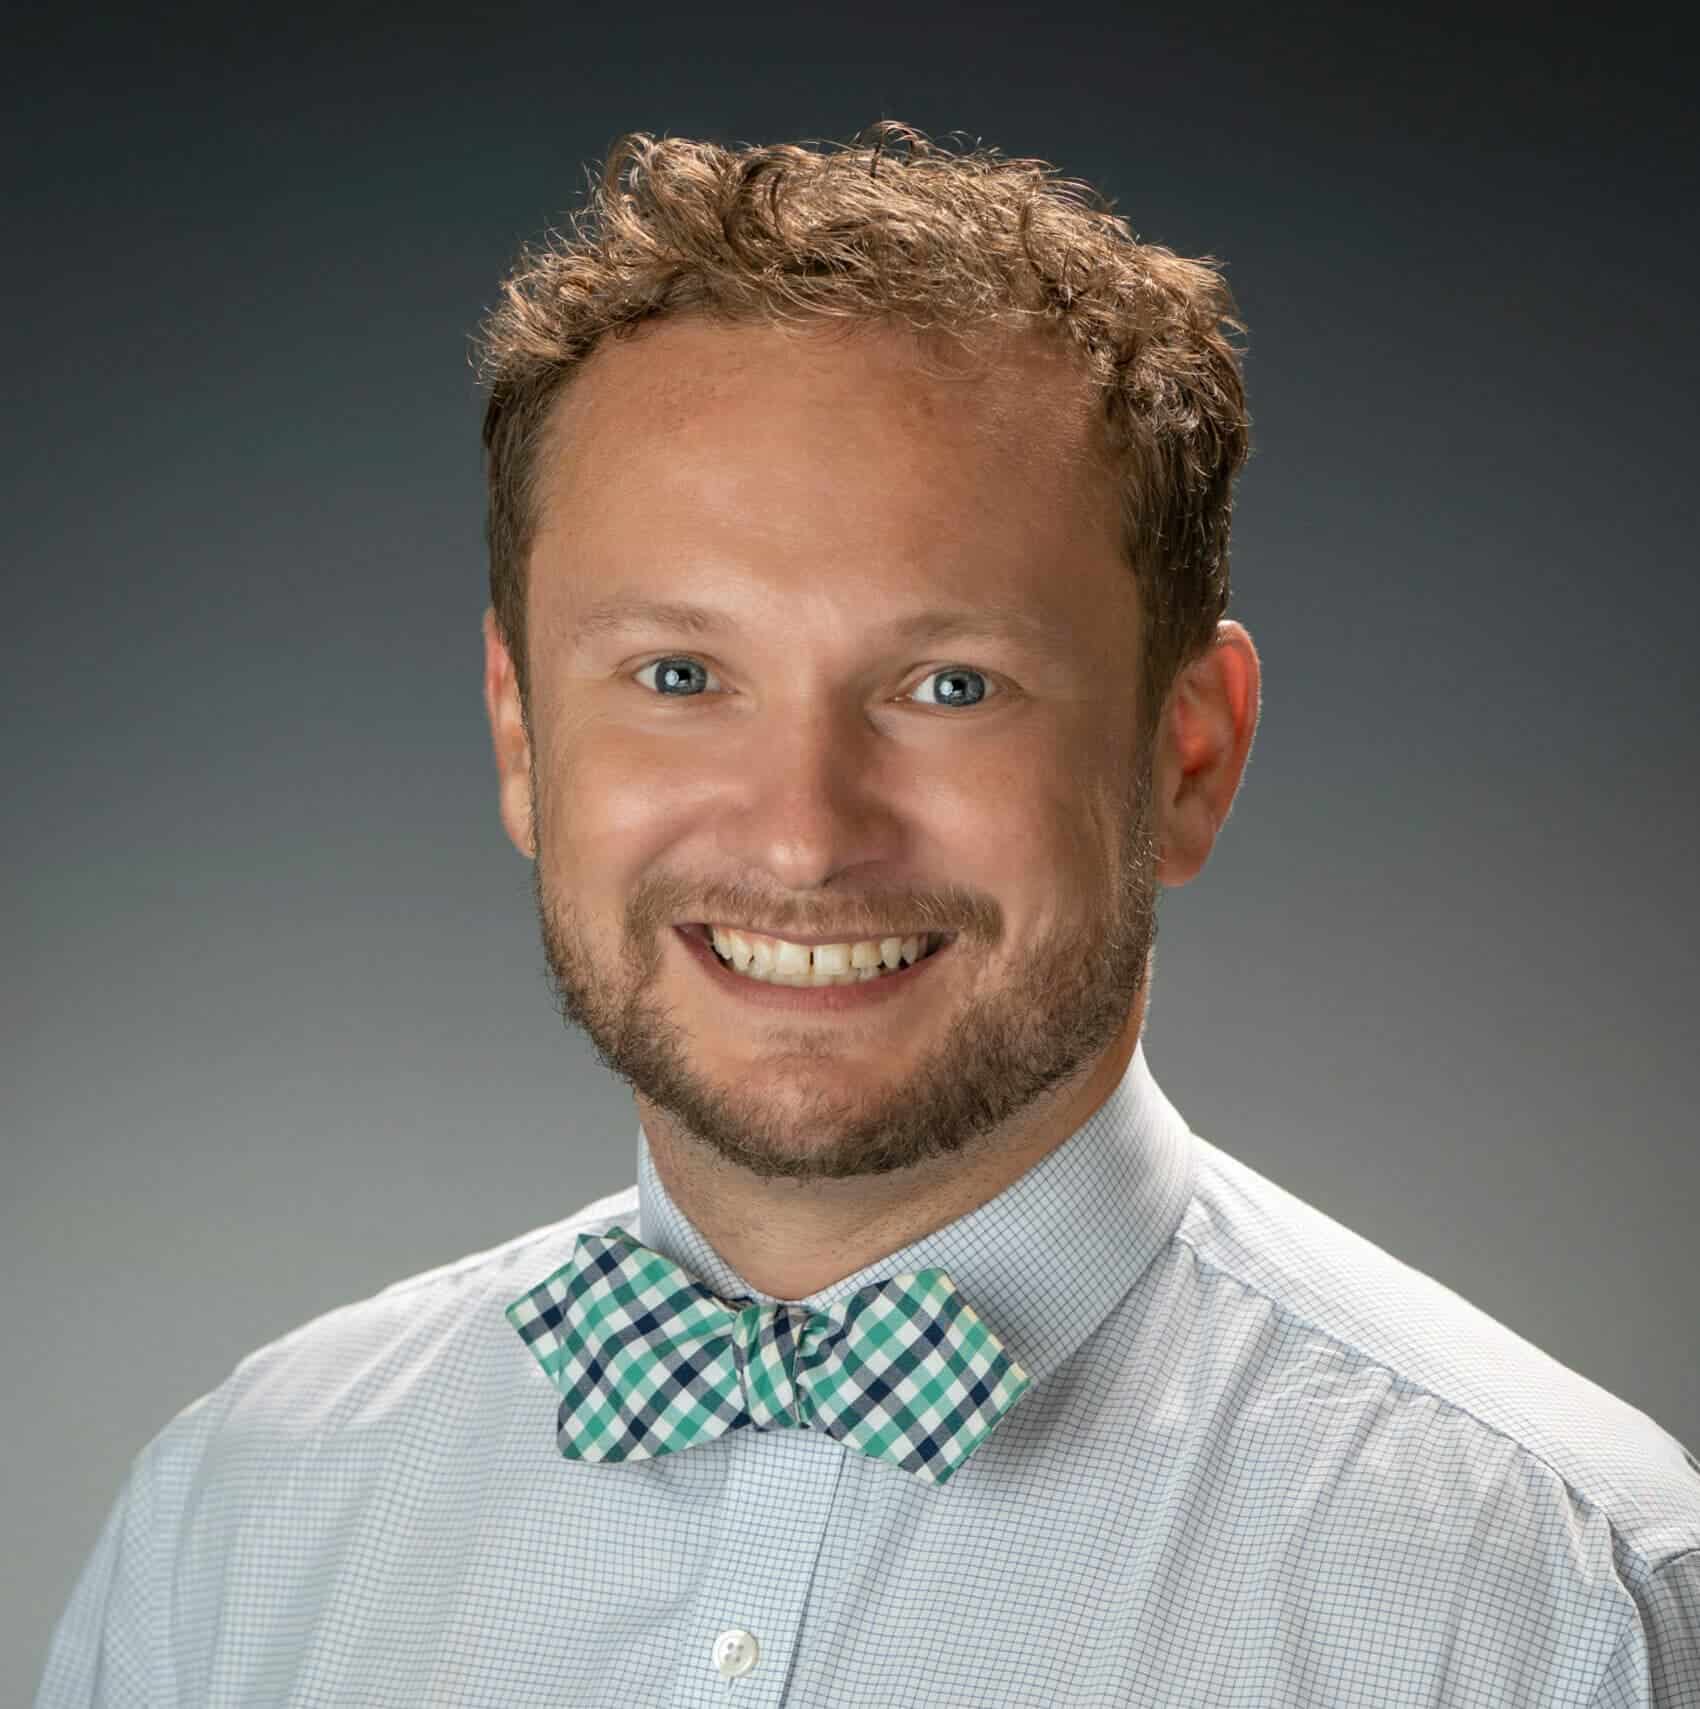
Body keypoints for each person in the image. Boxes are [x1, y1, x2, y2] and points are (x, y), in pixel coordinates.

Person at [37, 122, 1699, 1708]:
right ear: (520, 733)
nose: (805, 833)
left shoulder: (1548, 1596)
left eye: (949, 682)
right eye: (680, 674)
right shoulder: (237, 1522)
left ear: (1189, 753)